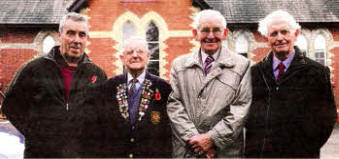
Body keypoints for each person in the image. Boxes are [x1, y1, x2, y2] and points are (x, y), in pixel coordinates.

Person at [1, 12, 107, 157]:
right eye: (71, 33)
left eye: (81, 35)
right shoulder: (34, 69)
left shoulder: (97, 75)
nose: (76, 40)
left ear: (87, 39)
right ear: (59, 35)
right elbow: (10, 105)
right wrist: (35, 135)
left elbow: (103, 116)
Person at [245, 10, 337, 158]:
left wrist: (306, 147)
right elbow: (247, 117)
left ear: (295, 33)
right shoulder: (254, 73)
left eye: (284, 32)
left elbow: (327, 117)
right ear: (266, 38)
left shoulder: (317, 73)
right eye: (274, 34)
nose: (280, 38)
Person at [167, 9, 252, 158]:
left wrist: (212, 139)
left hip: (224, 153)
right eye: (205, 30)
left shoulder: (242, 66)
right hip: (188, 152)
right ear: (195, 34)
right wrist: (197, 141)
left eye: (216, 30)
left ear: (225, 33)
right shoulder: (179, 65)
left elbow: (241, 110)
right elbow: (174, 105)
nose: (210, 36)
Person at [93, 36, 172, 157]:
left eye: (140, 52)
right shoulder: (108, 88)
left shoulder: (163, 88)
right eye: (129, 52)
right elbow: (99, 131)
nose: (135, 55)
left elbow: (168, 133)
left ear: (148, 56)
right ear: (122, 58)